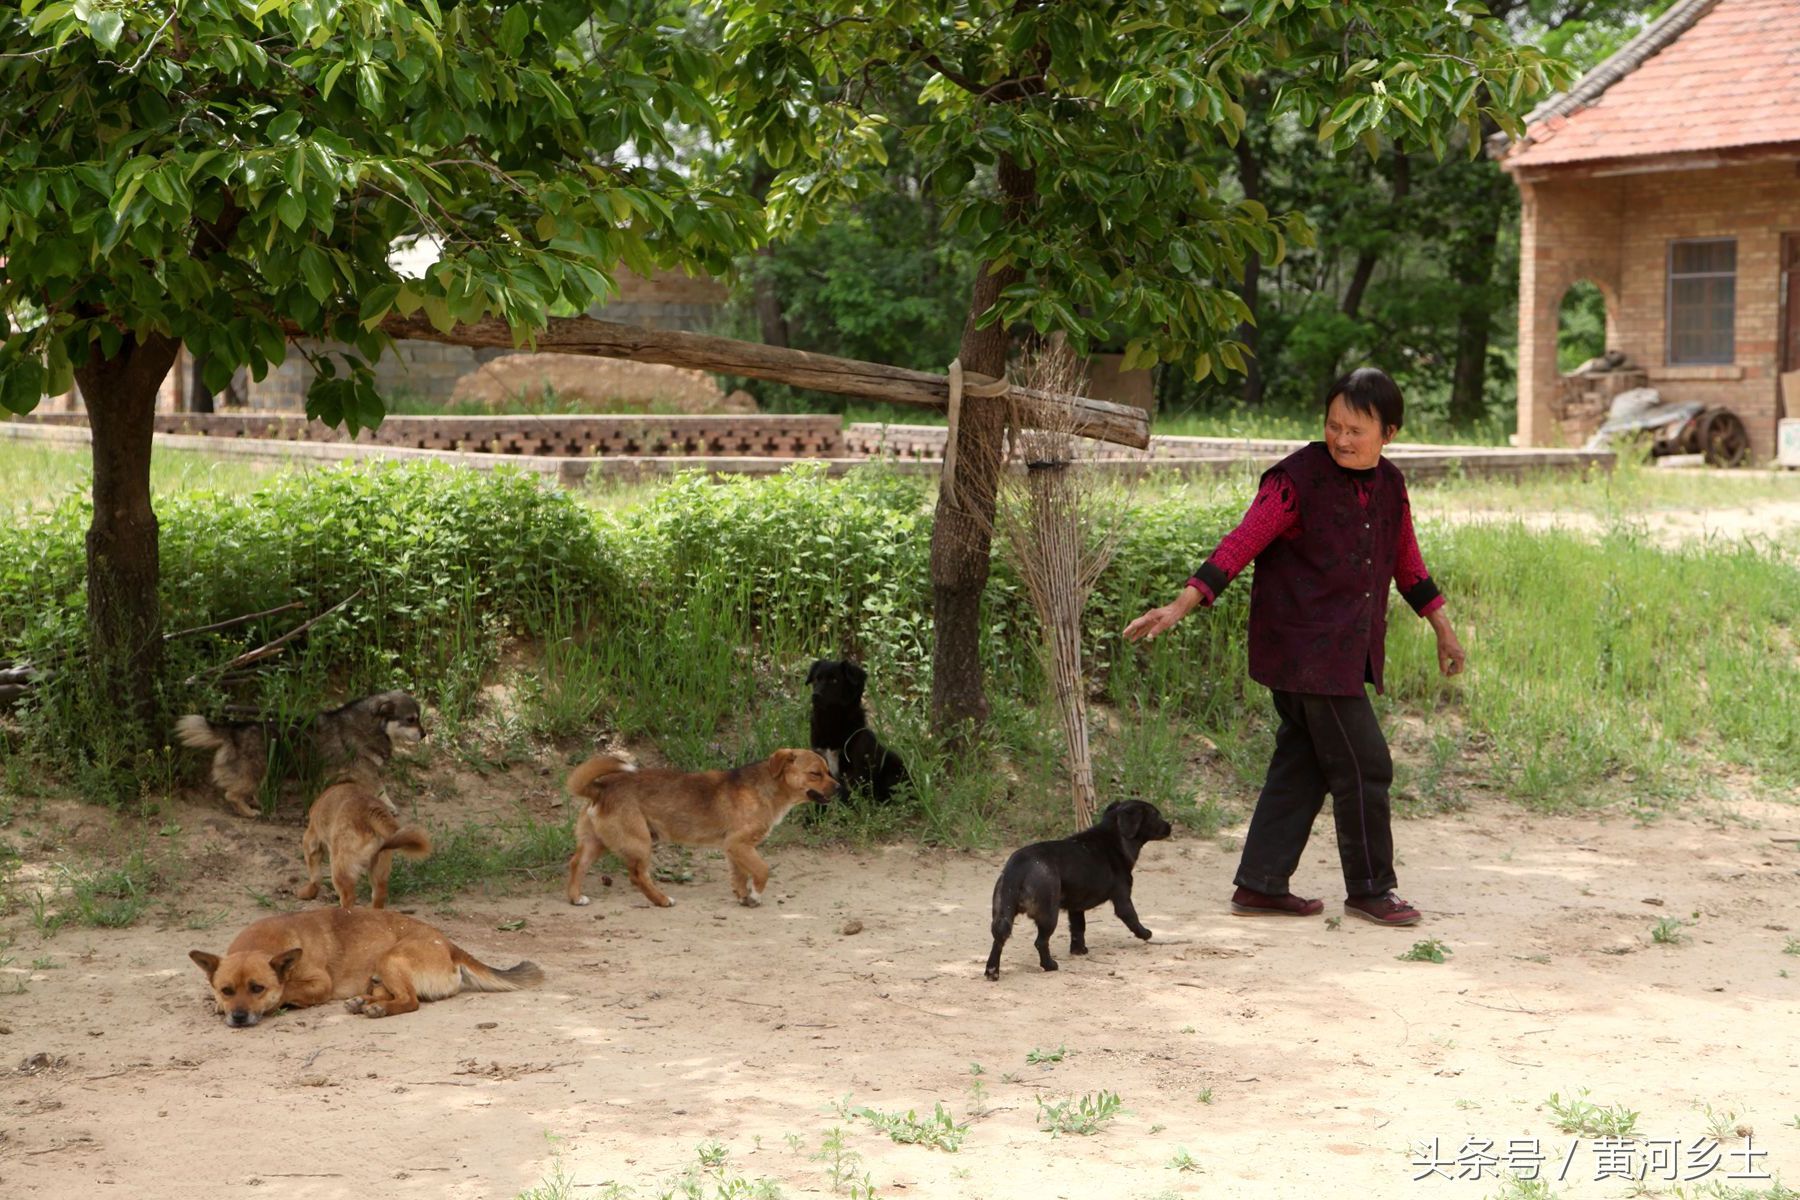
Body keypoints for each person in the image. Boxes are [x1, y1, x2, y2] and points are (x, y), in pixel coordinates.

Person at [1123, 368, 1465, 926]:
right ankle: (1372, 889)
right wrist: (1182, 603)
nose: (1342, 439)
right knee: (1365, 766)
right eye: (1334, 426)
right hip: (1304, 652)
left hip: (1345, 652)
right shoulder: (1293, 481)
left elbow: (1407, 563)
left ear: (1390, 432)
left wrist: (1442, 627)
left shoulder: (1391, 485)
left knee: (1302, 765)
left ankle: (1260, 883)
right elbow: (1241, 542)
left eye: (1356, 429)